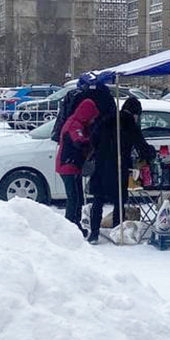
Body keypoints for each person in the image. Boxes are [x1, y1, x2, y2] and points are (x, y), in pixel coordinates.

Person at [88, 96, 154, 244]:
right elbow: (142, 146)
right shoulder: (130, 124)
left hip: (101, 164)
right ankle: (117, 231)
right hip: (118, 166)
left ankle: (94, 233)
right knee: (119, 200)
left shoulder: (107, 119)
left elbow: (94, 138)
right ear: (135, 113)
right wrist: (150, 153)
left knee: (98, 200)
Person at [55, 97, 101, 237]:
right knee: (74, 198)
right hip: (68, 165)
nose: (93, 120)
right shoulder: (74, 125)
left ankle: (75, 225)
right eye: (92, 117)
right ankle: (70, 227)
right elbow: (79, 143)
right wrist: (93, 141)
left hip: (73, 166)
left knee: (77, 197)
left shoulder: (78, 123)